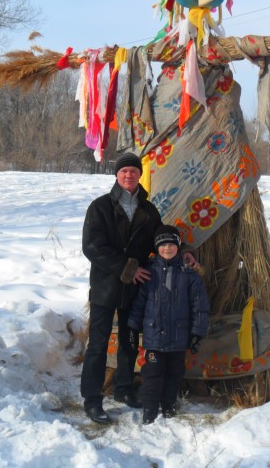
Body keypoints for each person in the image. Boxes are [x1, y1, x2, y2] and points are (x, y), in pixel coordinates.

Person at [81, 152, 198, 424]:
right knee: (98, 344)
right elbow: (92, 247)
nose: (129, 176)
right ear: (117, 175)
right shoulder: (99, 207)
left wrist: (186, 250)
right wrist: (128, 268)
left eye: (133, 171)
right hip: (106, 287)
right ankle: (92, 399)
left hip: (135, 290)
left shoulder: (149, 210)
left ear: (139, 175)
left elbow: (161, 239)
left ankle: (123, 389)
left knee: (130, 343)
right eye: (124, 172)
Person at [128, 224, 210, 424]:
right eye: (163, 245)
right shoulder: (148, 273)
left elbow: (200, 306)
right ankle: (149, 408)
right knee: (152, 374)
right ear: (156, 247)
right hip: (154, 337)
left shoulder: (189, 275)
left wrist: (197, 334)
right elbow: (138, 304)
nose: (167, 248)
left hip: (178, 337)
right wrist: (132, 328)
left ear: (178, 246)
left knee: (174, 374)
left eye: (171, 245)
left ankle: (168, 405)